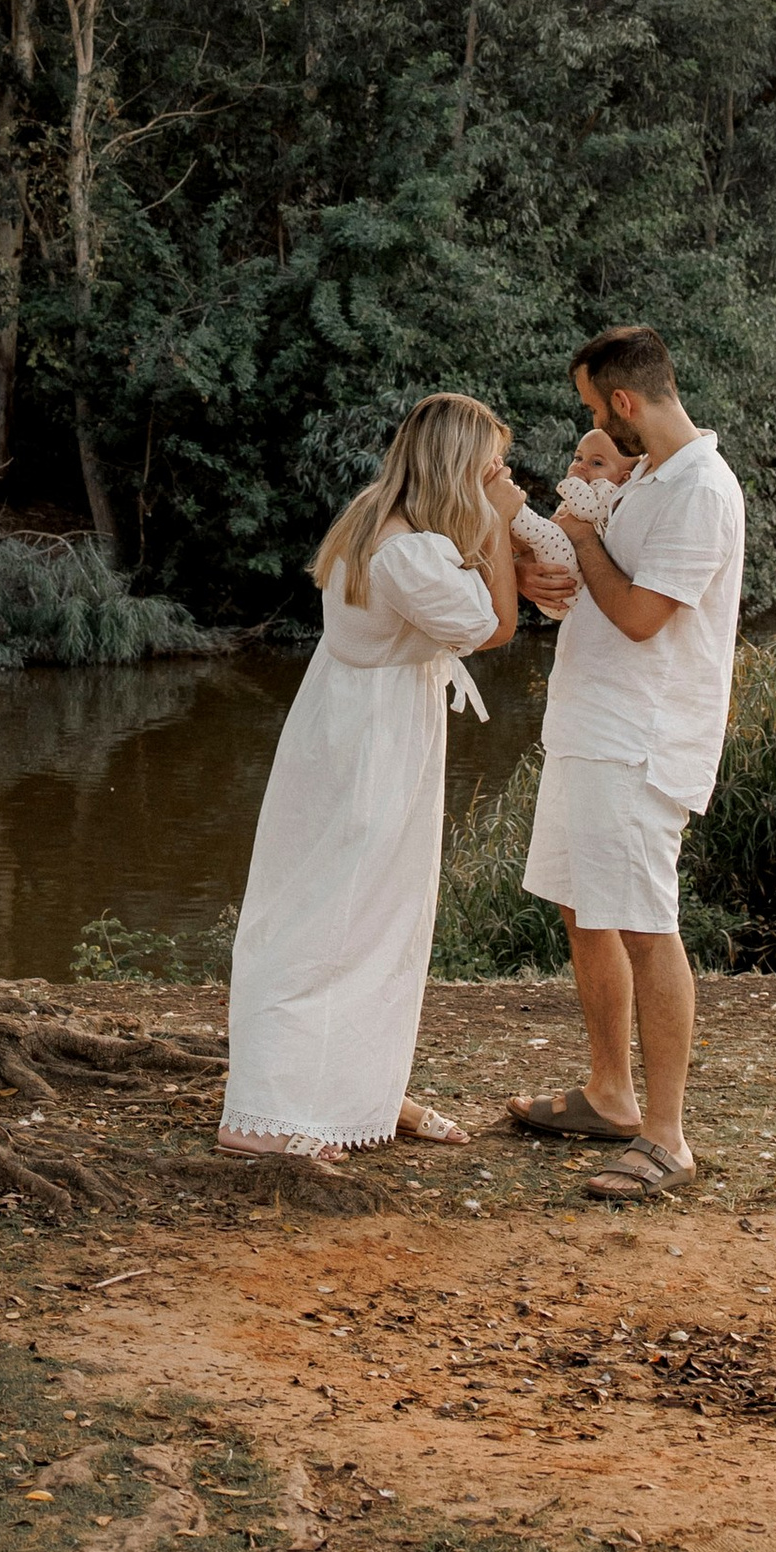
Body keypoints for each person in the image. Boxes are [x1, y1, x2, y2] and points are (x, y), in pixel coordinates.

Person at [218, 392, 523, 1168]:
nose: (503, 477)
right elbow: (494, 627)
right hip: (372, 750)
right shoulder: (407, 553)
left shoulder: (375, 519)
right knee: (338, 921)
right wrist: (495, 523)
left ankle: (362, 1095)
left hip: (346, 729)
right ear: (459, 468)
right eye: (492, 467)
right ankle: (264, 1116)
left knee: (364, 917)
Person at [503, 323, 745, 1198]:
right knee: (585, 907)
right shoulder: (644, 478)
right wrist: (546, 572)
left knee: (647, 924)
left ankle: (669, 1140)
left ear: (626, 401)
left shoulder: (702, 493)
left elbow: (644, 616)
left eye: (595, 409)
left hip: (644, 739)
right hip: (587, 725)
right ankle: (611, 1094)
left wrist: (586, 540)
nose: (593, 427)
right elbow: (589, 587)